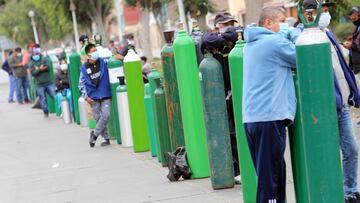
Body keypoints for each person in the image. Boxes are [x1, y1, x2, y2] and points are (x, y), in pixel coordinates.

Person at [304, 1, 360, 202]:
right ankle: (336, 192)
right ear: (309, 14)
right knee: (328, 152)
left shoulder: (327, 33)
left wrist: (353, 92)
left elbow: (341, 68)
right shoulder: (304, 36)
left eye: (326, 9)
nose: (326, 13)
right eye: (323, 10)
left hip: (342, 103)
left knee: (351, 149)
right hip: (326, 105)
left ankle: (350, 190)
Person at [243, 7, 298, 202]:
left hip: (252, 118)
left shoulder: (251, 43)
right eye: (281, 21)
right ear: (268, 23)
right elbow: (304, 56)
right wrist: (297, 34)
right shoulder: (274, 42)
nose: (285, 25)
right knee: (270, 180)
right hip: (269, 118)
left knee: (273, 173)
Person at [200, 11, 241, 183]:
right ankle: (235, 169)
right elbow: (205, 40)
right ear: (218, 26)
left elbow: (240, 32)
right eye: (226, 23)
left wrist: (226, 36)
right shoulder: (212, 37)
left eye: (232, 23)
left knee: (241, 130)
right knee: (230, 133)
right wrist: (225, 38)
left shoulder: (236, 34)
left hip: (238, 90)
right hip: (222, 95)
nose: (230, 26)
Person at [79, 43, 112, 147]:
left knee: (106, 115)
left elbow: (113, 60)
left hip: (105, 95)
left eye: (96, 50)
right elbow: (80, 84)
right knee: (98, 118)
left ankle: (94, 135)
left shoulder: (104, 62)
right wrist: (86, 97)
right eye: (93, 51)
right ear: (88, 54)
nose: (96, 52)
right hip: (93, 98)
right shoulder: (84, 69)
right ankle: (106, 138)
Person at [28, 47, 56, 117]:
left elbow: (48, 67)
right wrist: (40, 69)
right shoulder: (31, 63)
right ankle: (45, 112)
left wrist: (38, 69)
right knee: (42, 99)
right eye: (34, 54)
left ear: (39, 53)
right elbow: (33, 73)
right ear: (32, 55)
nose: (35, 55)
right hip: (39, 84)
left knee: (54, 97)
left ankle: (61, 110)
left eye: (36, 53)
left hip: (49, 82)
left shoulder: (44, 59)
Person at [348, 7, 360, 82]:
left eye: (354, 19)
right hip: (355, 64)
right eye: (351, 19)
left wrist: (351, 45)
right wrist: (351, 40)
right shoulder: (357, 27)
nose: (353, 21)